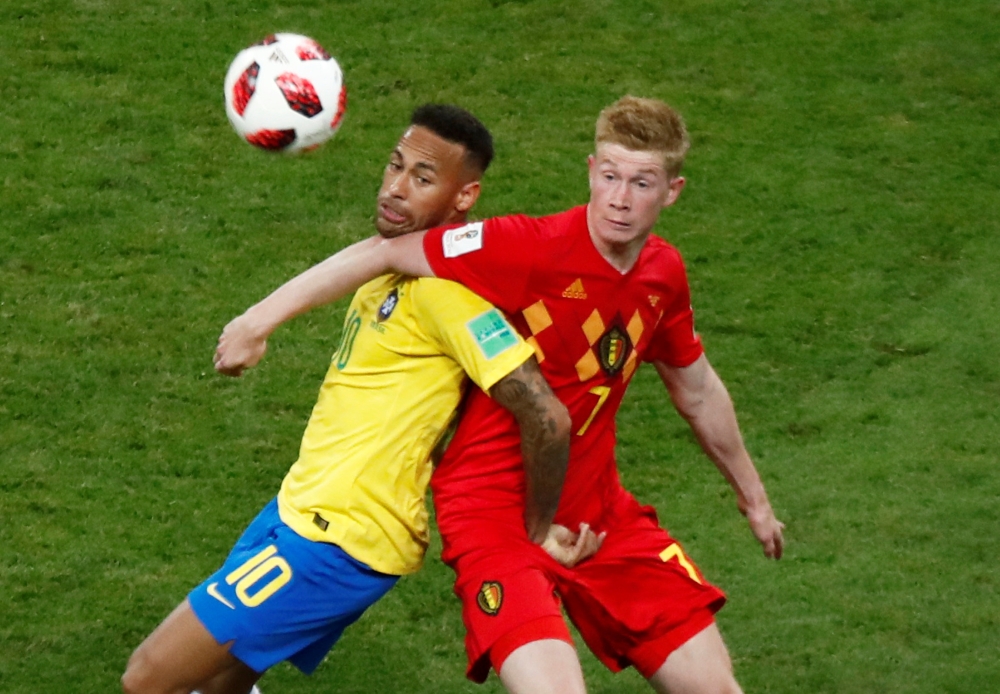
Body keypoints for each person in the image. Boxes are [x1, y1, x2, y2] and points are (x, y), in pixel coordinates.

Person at [215, 95, 785, 694]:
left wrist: (754, 498)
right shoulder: (525, 247)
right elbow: (387, 252)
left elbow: (696, 388)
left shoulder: (663, 275)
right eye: (610, 177)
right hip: (494, 517)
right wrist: (259, 321)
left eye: (641, 183)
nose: (620, 198)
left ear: (672, 191)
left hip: (598, 513)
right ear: (591, 171)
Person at [121, 104, 589, 694]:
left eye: (422, 178)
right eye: (395, 165)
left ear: (464, 196)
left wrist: (539, 527)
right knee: (219, 685)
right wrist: (259, 321)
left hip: (340, 540)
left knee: (148, 678)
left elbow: (546, 414)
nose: (395, 188)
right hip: (296, 511)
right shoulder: (385, 266)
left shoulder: (449, 297)